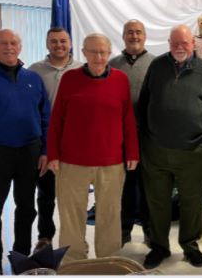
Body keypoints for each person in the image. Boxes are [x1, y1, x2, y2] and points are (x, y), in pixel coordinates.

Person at [47, 33, 139, 262]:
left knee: (109, 216)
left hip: (111, 162)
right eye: (93, 52)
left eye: (103, 52)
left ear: (109, 53)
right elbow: (56, 119)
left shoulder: (120, 79)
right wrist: (52, 155)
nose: (98, 57)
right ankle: (73, 262)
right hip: (71, 162)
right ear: (84, 52)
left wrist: (133, 153)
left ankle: (109, 260)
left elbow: (128, 119)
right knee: (71, 217)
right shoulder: (69, 79)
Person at [0, 29, 51, 275]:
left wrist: (45, 150)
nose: (9, 47)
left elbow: (45, 118)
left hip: (29, 151)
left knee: (26, 208)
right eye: (3, 43)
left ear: (20, 47)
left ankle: (21, 257)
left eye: (13, 43)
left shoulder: (33, 79)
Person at [138, 24, 202, 269]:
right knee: (157, 202)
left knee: (192, 202)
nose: (179, 48)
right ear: (168, 44)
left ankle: (190, 246)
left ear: (192, 43)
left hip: (192, 151)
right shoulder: (157, 66)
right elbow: (144, 102)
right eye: (175, 44)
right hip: (156, 151)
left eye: (184, 43)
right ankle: (159, 246)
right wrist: (146, 138)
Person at [27, 27, 83, 253]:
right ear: (47, 44)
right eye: (53, 41)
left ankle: (78, 238)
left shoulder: (83, 69)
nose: (58, 45)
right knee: (46, 195)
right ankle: (45, 237)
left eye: (63, 41)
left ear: (70, 43)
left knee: (75, 196)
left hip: (76, 144)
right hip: (46, 143)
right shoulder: (34, 71)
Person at [109, 20, 155, 248]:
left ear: (144, 36)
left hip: (147, 136)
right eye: (130, 32)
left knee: (147, 187)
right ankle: (124, 230)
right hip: (120, 137)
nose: (134, 36)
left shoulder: (156, 64)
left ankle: (148, 231)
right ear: (124, 36)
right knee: (124, 186)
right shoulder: (112, 64)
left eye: (138, 32)